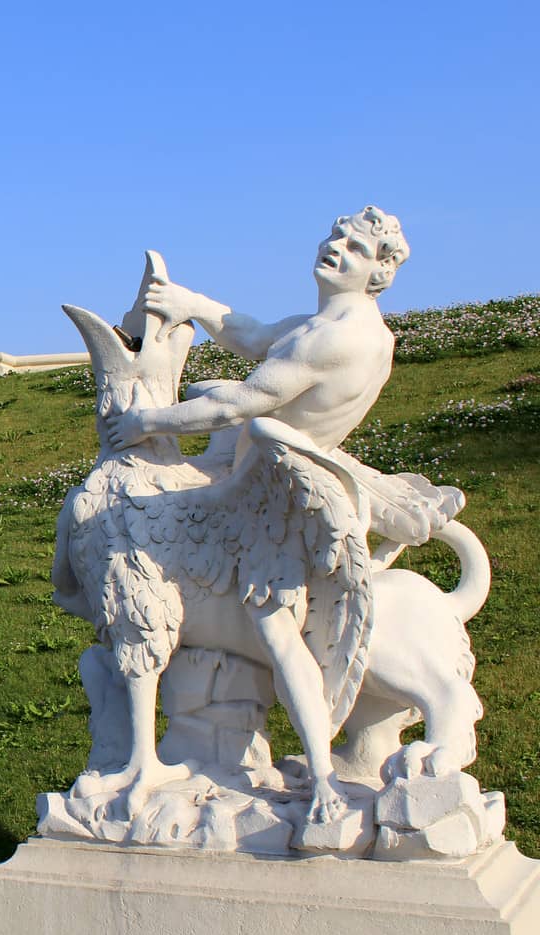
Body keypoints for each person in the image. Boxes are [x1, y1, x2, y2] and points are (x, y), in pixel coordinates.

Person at [104, 205, 455, 821]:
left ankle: (322, 774)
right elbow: (256, 336)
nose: (336, 248)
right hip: (256, 484)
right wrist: (191, 302)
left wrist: (145, 422)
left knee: (277, 628)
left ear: (379, 274)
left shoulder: (337, 337)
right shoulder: (326, 324)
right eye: (335, 236)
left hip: (270, 501)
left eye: (355, 248)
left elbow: (245, 402)